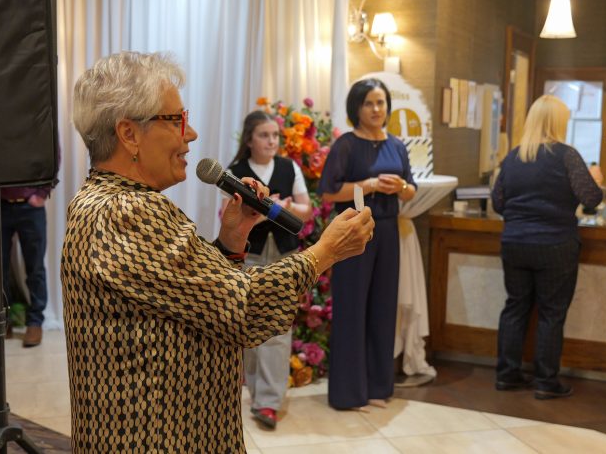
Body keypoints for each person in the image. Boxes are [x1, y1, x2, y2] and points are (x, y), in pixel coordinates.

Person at [63, 51, 374, 453]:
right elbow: (242, 310)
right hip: (156, 438)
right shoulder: (126, 211)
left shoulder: (103, 200)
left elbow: (192, 302)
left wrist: (231, 240)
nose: (191, 135)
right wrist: (325, 252)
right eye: (177, 120)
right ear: (129, 134)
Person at [491, 94, 603, 400]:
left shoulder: (514, 157)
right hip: (555, 244)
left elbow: (498, 202)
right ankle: (545, 381)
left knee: (515, 307)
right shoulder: (566, 155)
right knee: (551, 313)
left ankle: (507, 375)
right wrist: (596, 180)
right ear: (558, 122)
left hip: (515, 242)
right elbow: (591, 198)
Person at [318, 78, 416, 411]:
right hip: (354, 231)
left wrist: (400, 187)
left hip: (387, 230)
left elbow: (411, 190)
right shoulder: (346, 145)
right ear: (357, 108)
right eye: (369, 103)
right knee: (352, 307)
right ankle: (348, 393)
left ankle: (377, 387)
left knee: (383, 307)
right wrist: (371, 184)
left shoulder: (397, 145)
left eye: (381, 102)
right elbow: (329, 192)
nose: (376, 109)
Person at [226, 111, 313, 429]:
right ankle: (254, 390)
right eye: (264, 135)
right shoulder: (235, 172)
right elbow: (227, 217)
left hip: (284, 255)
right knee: (250, 325)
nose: (272, 141)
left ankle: (269, 402)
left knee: (278, 327)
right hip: (249, 255)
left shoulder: (290, 167)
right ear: (249, 139)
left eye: (275, 135)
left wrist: (284, 207)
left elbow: (307, 210)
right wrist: (265, 211)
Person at [0, 184, 53, 348]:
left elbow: (52, 165)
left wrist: (42, 192)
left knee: (35, 268)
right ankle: (2, 323)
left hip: (31, 207)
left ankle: (35, 322)